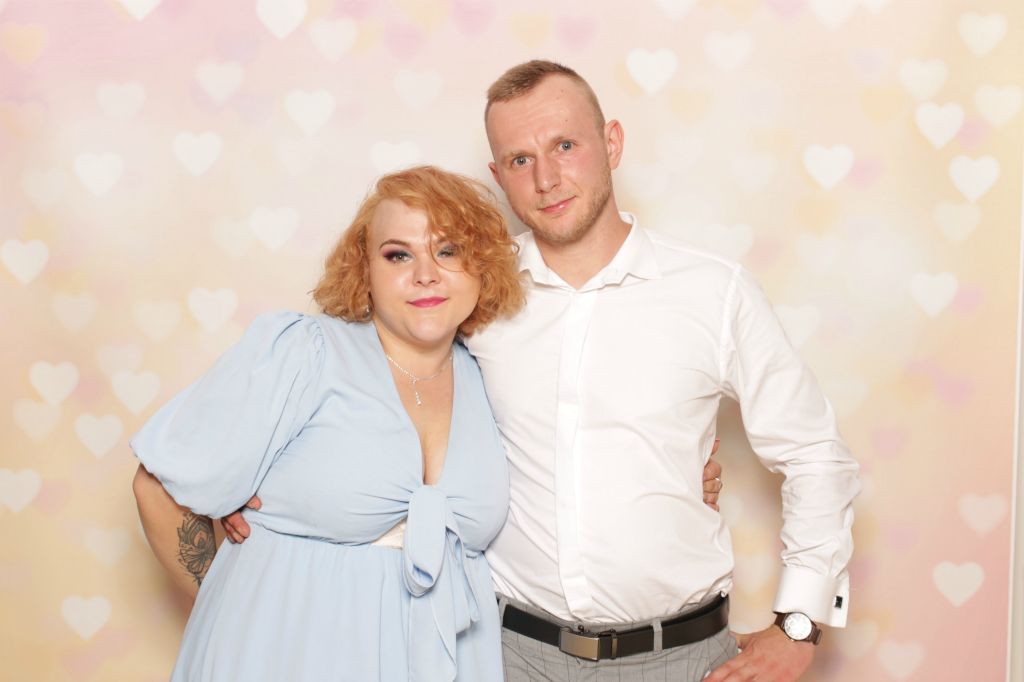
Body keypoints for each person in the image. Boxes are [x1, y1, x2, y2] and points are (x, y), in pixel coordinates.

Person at [229, 60, 860, 681]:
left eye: (565, 146)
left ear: (611, 143)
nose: (547, 179)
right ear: (497, 176)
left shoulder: (713, 293)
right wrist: (254, 475)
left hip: (682, 657)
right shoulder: (469, 292)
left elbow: (814, 454)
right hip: (509, 655)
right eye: (519, 159)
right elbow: (372, 376)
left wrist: (800, 624)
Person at [131, 166, 525, 682]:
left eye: (448, 251)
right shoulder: (304, 353)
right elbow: (157, 490)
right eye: (398, 254)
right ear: (365, 269)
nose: (426, 274)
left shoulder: (490, 375)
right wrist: (232, 603)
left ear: (482, 266)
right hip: (282, 660)